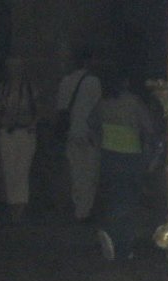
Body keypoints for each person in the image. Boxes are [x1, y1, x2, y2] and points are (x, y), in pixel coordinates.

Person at [91, 70, 156, 261]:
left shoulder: (104, 103)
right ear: (125, 82)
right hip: (129, 157)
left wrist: (100, 141)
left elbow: (92, 123)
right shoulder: (132, 102)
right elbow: (149, 128)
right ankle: (121, 243)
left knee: (114, 197)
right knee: (128, 201)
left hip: (108, 155)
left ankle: (115, 239)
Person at [55, 47, 101, 221]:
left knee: (75, 172)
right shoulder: (93, 82)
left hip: (71, 132)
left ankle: (77, 206)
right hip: (88, 133)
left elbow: (60, 108)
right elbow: (96, 109)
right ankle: (84, 210)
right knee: (89, 173)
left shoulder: (65, 82)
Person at [0, 57, 38, 222]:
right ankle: (13, 204)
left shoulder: (29, 89)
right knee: (9, 169)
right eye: (12, 67)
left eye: (18, 67)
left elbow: (37, 109)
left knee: (22, 169)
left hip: (25, 132)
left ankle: (20, 207)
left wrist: (32, 124)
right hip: (7, 132)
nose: (15, 70)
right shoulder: (2, 89)